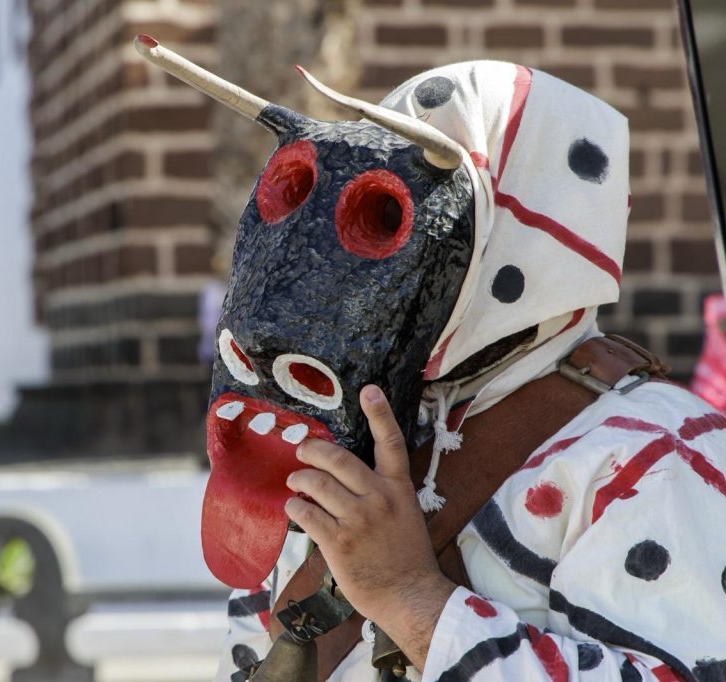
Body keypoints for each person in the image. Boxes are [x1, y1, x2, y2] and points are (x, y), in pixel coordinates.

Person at [215, 61, 726, 681]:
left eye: (389, 214)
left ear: (527, 236)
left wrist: (411, 599)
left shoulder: (659, 457)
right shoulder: (337, 431)